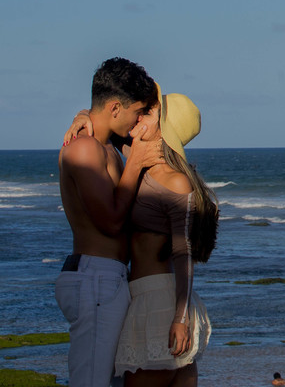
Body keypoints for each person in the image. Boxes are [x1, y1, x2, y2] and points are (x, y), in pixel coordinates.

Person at [57, 57, 162, 387]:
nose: (139, 122)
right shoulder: (85, 150)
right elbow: (111, 222)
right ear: (116, 107)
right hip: (94, 276)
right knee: (91, 380)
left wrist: (83, 113)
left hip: (108, 277)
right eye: (136, 112)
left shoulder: (108, 145)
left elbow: (159, 103)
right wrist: (136, 165)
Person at [113, 91, 219, 387]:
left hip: (162, 304)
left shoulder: (174, 180)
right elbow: (106, 127)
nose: (137, 116)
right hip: (144, 298)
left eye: (147, 113)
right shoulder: (137, 162)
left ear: (164, 129)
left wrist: (180, 318)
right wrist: (81, 117)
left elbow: (183, 251)